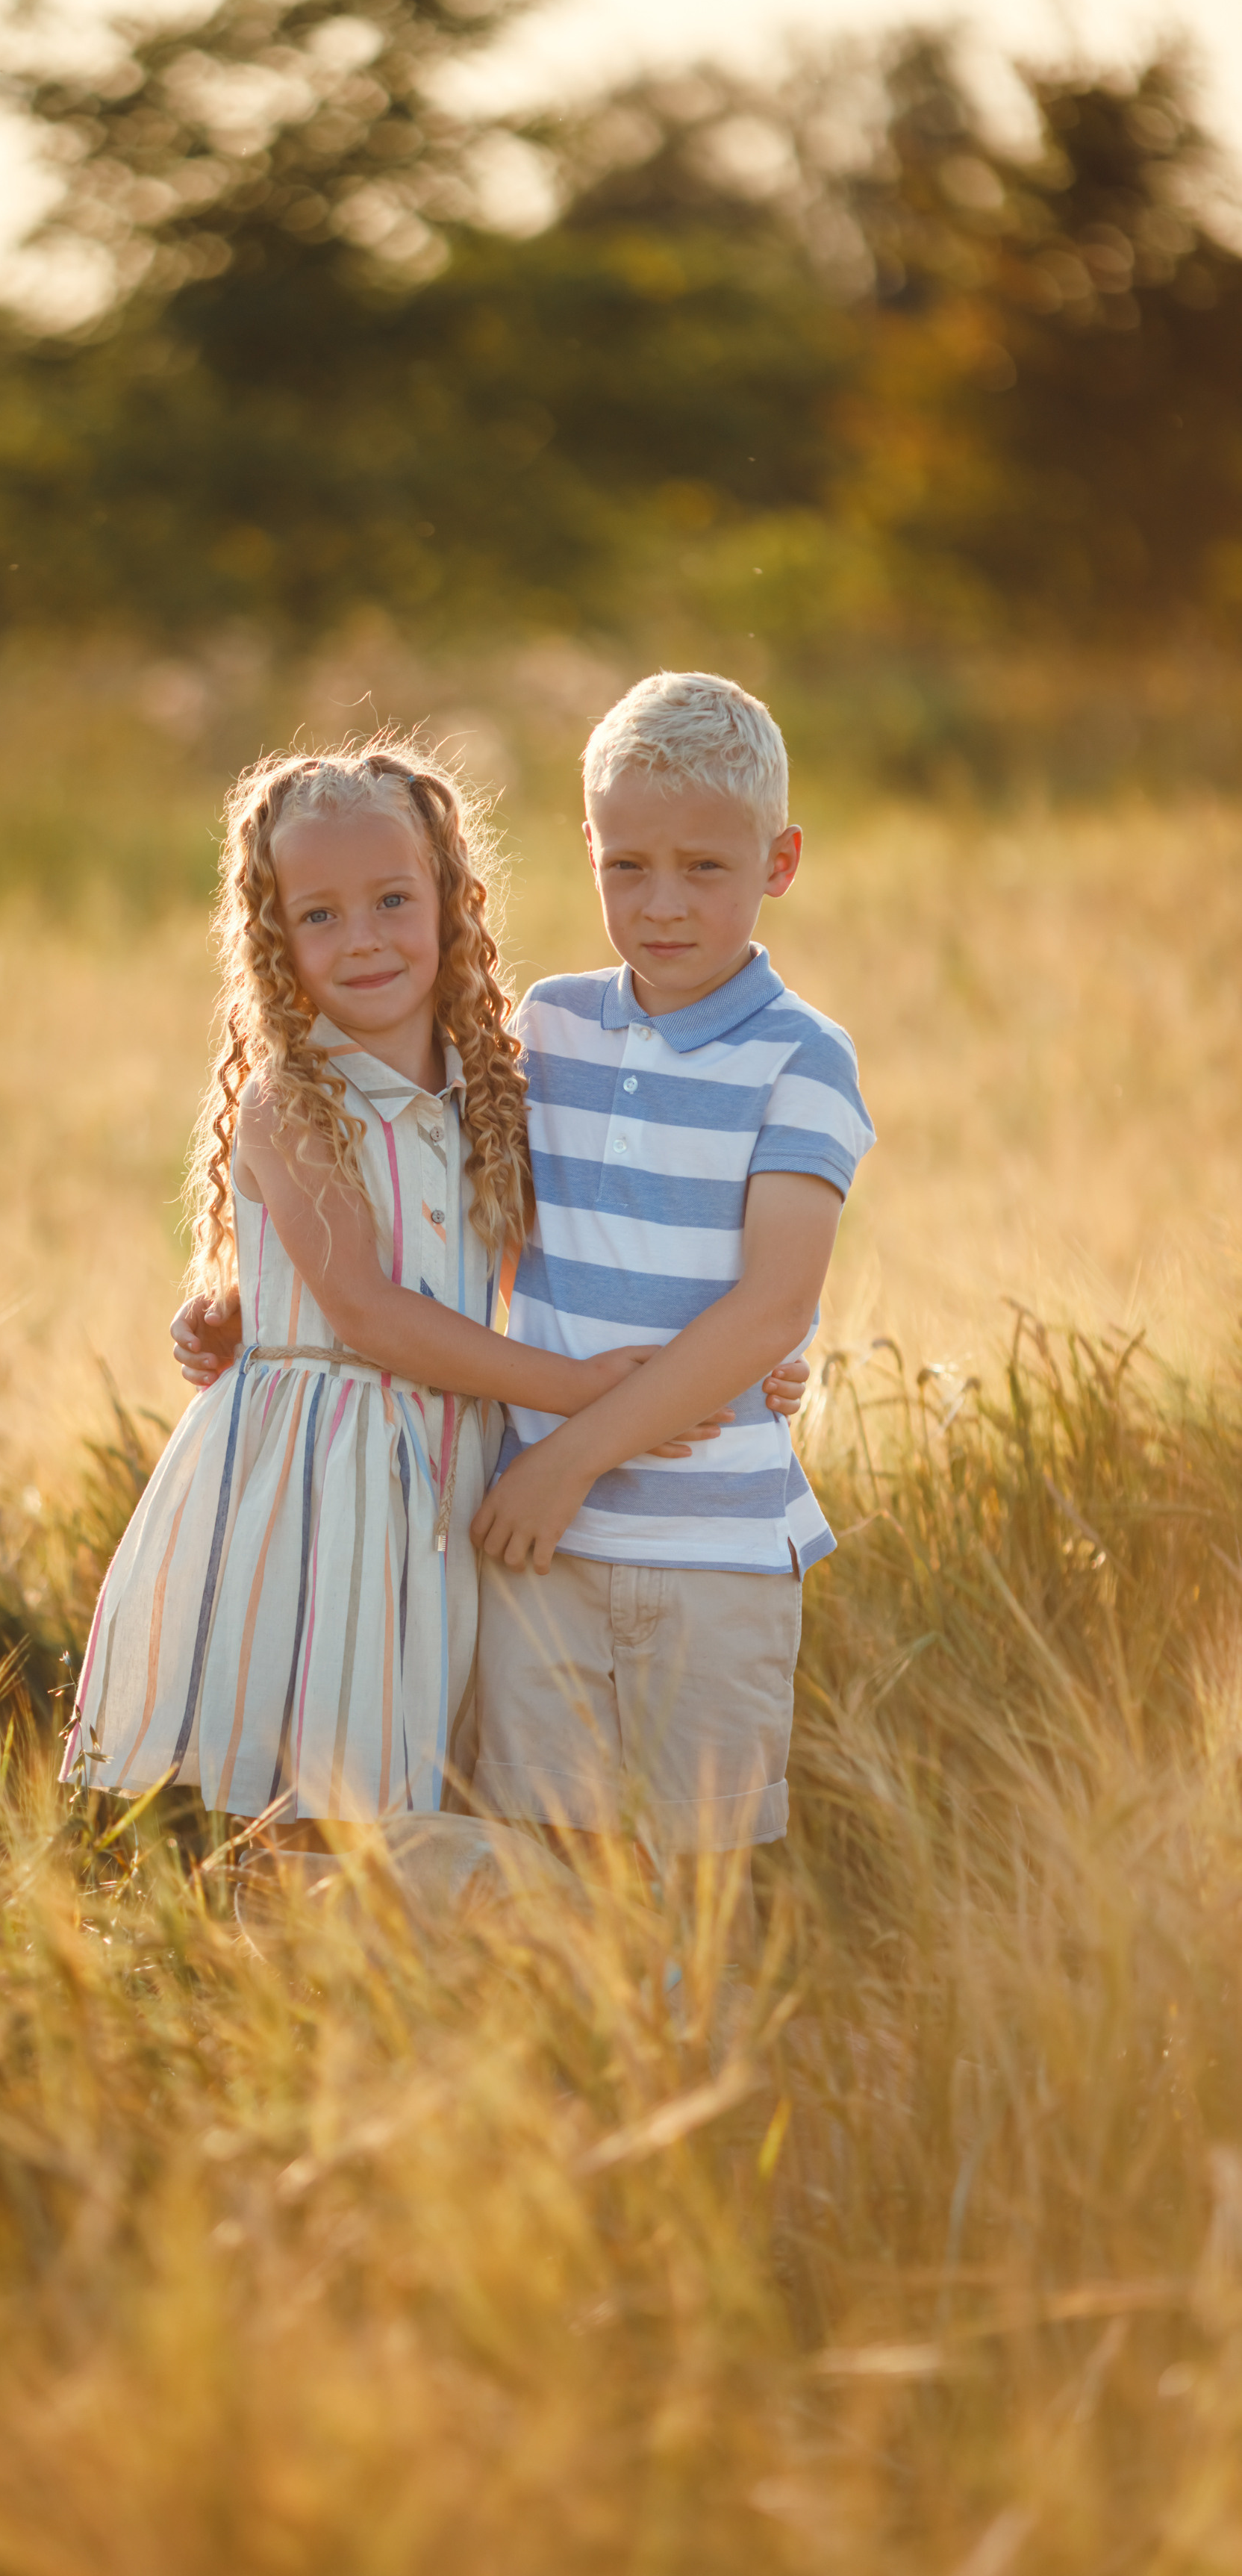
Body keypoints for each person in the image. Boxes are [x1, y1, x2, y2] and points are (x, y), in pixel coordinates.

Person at [62, 736, 780, 1830]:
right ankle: (266, 1944)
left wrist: (748, 1356)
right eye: (318, 916)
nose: (362, 941)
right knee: (312, 1769)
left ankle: (387, 1966)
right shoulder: (291, 1101)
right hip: (323, 1472)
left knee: (418, 1765)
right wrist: (587, 1391)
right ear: (271, 938)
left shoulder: (488, 1088)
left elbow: (608, 1240)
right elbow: (365, 1310)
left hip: (447, 1470)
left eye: (392, 899)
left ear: (449, 902)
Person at [467, 670, 874, 1880]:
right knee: (546, 1877)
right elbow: (437, 1213)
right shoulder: (546, 1025)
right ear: (584, 847)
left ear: (779, 862)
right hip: (537, 1545)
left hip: (710, 1549)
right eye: (626, 866)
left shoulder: (803, 1057)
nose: (661, 904)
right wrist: (260, 1302)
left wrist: (565, 1461)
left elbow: (770, 1305)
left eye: (706, 867)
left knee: (695, 1890)